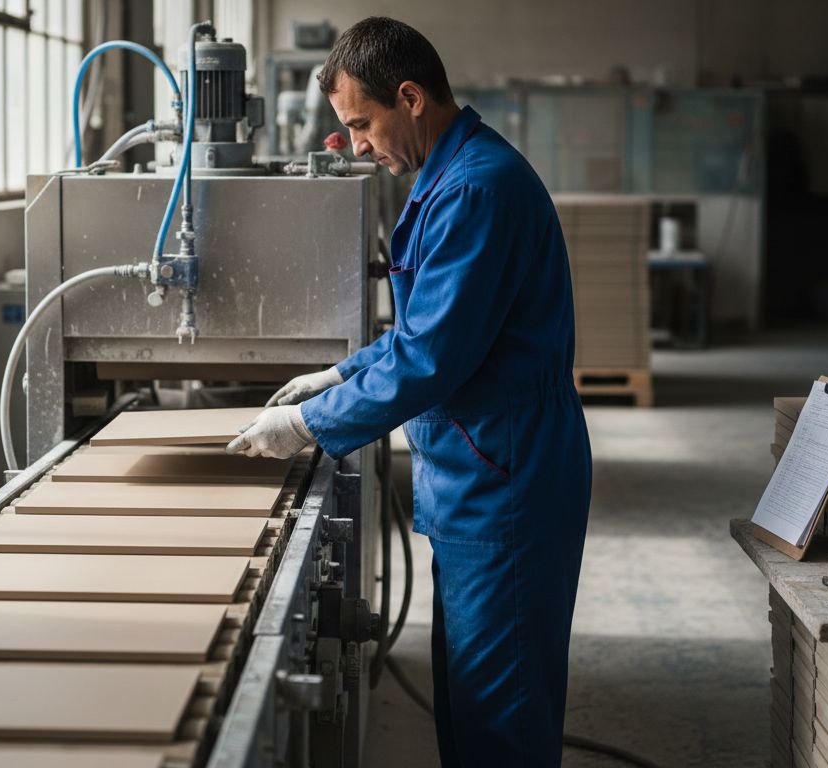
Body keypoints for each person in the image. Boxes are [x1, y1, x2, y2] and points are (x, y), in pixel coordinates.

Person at [226, 16, 591, 767]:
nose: (356, 144)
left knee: (502, 721)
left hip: (506, 480)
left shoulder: (476, 192)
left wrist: (305, 424)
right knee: (471, 701)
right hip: (477, 474)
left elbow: (433, 359)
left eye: (361, 123)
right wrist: (338, 375)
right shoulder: (449, 179)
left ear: (412, 97)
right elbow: (427, 331)